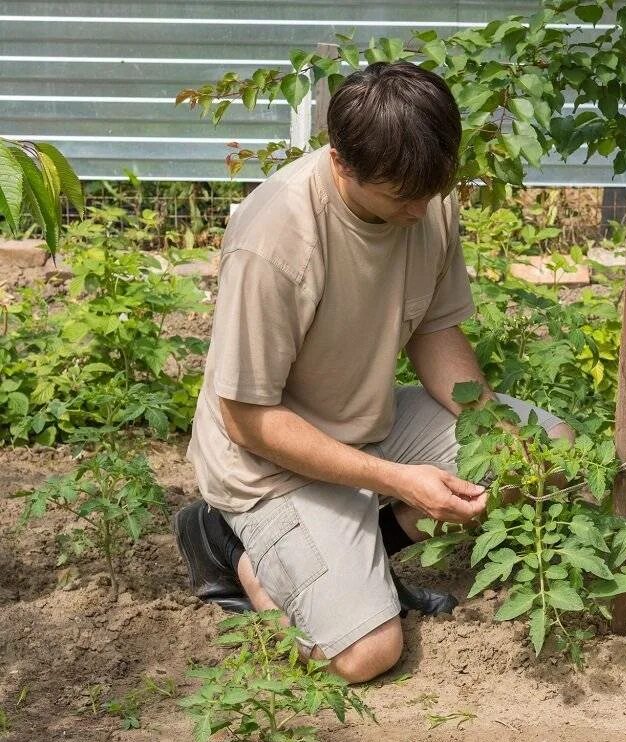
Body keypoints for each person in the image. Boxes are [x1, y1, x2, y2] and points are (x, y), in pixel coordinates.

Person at [174, 61, 572, 684]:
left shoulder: (425, 193)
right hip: (267, 463)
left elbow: (435, 331)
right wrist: (400, 480)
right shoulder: (276, 240)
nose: (420, 209)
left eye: (432, 191)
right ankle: (234, 549)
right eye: (400, 197)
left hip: (363, 424)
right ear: (340, 162)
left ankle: (356, 557)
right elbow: (246, 419)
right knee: (367, 656)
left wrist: (495, 433)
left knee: (543, 453)